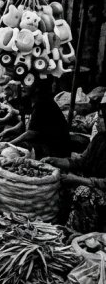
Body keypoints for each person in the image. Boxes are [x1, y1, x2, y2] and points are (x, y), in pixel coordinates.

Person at [43, 96, 106, 232]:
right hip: (91, 183)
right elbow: (81, 161)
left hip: (100, 191)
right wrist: (55, 160)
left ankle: (80, 232)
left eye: (101, 117)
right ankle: (60, 223)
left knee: (84, 192)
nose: (96, 121)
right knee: (60, 182)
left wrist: (77, 180)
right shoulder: (99, 139)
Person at [0, 79, 71, 158]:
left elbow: (31, 133)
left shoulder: (44, 104)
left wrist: (9, 144)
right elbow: (25, 121)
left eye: (27, 84)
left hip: (53, 151)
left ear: (37, 88)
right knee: (7, 137)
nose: (22, 86)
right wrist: (8, 131)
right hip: (39, 144)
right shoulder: (30, 101)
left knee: (12, 150)